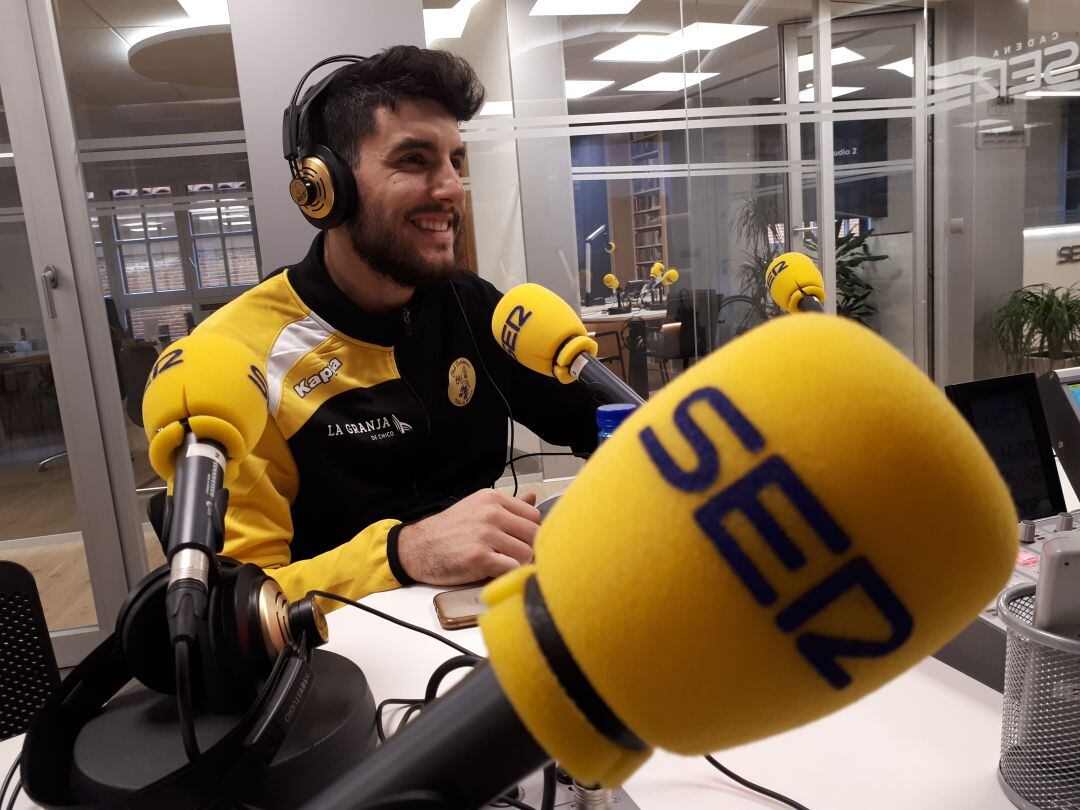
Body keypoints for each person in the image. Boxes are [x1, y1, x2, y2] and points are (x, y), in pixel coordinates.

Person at [195, 46, 598, 607]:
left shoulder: (471, 306)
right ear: (324, 186)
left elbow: (594, 420)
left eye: (455, 160)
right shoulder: (239, 357)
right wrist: (400, 553)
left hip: (491, 632)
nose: (452, 188)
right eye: (414, 160)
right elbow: (236, 604)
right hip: (346, 667)